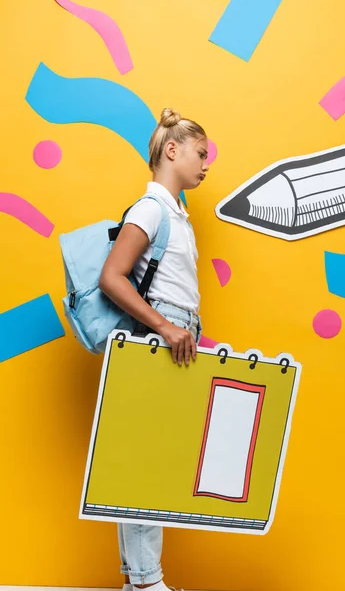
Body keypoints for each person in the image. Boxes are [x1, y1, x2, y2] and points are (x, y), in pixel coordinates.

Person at [99, 107, 210, 591]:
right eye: (200, 153)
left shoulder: (176, 214)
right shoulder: (152, 209)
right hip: (154, 340)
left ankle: (137, 580)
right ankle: (146, 582)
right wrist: (166, 327)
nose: (207, 163)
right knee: (146, 461)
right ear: (172, 150)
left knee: (154, 459)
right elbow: (111, 277)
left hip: (174, 341)